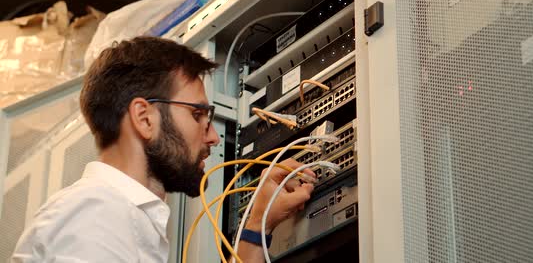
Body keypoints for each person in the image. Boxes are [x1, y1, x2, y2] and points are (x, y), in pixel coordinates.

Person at [11, 36, 316, 262]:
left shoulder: (118, 218)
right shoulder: (96, 216)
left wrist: (256, 223)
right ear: (144, 119)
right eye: (198, 116)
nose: (213, 137)